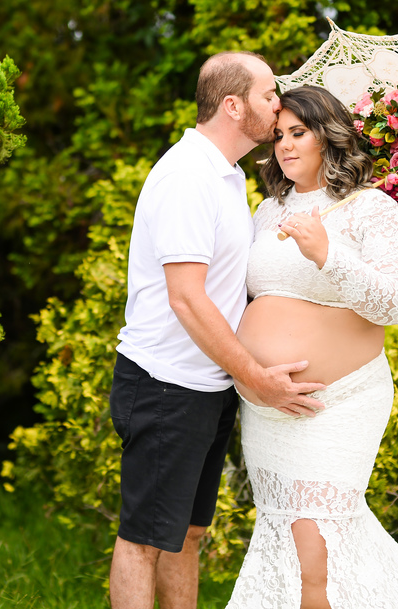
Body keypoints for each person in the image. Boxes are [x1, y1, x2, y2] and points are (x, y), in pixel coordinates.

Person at [226, 84, 398, 609]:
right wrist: (249, 378)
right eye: (278, 135)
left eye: (299, 133)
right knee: (287, 541)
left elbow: (396, 304)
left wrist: (328, 254)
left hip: (340, 404)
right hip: (266, 408)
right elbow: (245, 305)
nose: (285, 146)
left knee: (317, 546)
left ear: (328, 137)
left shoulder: (371, 208)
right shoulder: (266, 212)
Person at [109, 52, 328, 609]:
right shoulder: (187, 176)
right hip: (165, 385)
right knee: (143, 541)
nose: (278, 104)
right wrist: (257, 376)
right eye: (267, 95)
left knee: (186, 534)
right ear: (232, 105)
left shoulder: (227, 176)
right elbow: (187, 298)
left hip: (208, 387)